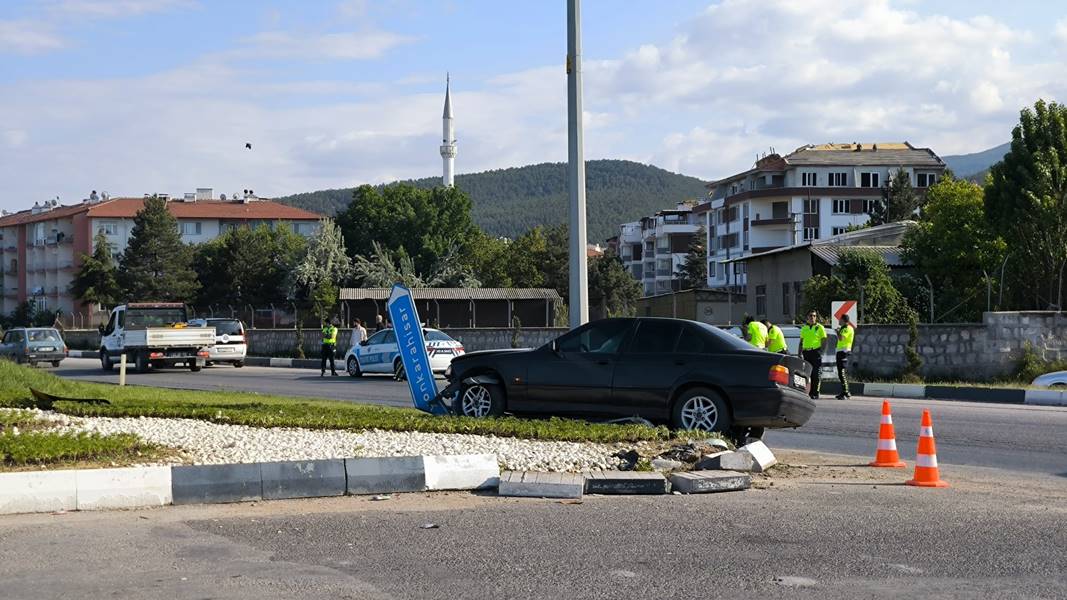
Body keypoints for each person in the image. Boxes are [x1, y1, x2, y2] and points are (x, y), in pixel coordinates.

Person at [799, 310, 827, 399]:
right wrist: (799, 352)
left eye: (814, 316)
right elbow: (801, 342)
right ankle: (809, 392)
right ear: (807, 317)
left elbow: (824, 340)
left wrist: (822, 352)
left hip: (815, 352)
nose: (812, 317)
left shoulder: (820, 327)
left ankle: (816, 392)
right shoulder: (804, 328)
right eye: (811, 316)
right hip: (806, 352)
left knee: (816, 373)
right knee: (807, 374)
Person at [835, 314, 855, 399]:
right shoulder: (843, 328)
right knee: (840, 373)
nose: (839, 321)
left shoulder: (848, 328)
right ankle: (843, 392)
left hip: (844, 352)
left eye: (840, 319)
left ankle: (846, 392)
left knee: (842, 373)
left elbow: (841, 338)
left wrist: (837, 332)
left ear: (843, 320)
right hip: (840, 352)